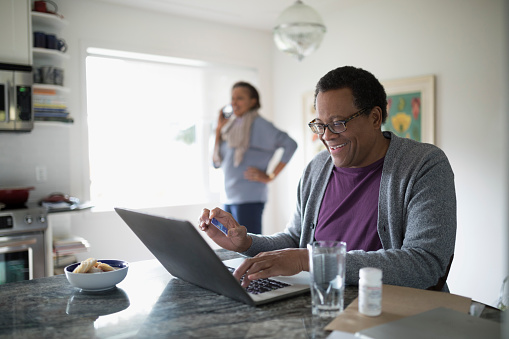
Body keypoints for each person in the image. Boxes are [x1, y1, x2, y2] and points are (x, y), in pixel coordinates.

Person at [200, 66, 456, 292]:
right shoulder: (317, 167)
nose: (326, 136)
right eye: (320, 124)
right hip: (321, 302)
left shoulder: (424, 165)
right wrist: (246, 242)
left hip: (388, 313)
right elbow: (294, 239)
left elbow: (425, 264)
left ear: (375, 117)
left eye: (338, 123)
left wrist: (309, 259)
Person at [212, 81, 297, 234]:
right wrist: (218, 130)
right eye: (232, 98)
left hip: (249, 198)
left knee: (249, 247)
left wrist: (270, 176)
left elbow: (291, 144)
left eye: (240, 98)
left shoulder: (260, 124)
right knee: (232, 246)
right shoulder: (230, 127)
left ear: (253, 101)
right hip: (229, 196)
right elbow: (216, 162)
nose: (234, 103)